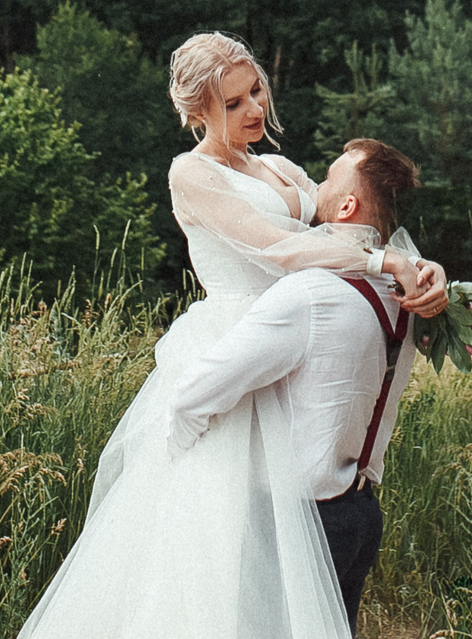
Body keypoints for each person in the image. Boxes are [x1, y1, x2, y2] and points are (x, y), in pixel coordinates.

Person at [14, 33, 444, 639]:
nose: (255, 110)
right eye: (234, 104)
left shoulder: (280, 168)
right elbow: (276, 247)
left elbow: (351, 226)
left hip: (294, 345)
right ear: (197, 115)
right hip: (237, 342)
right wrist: (383, 266)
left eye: (256, 91)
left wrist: (425, 266)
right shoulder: (190, 174)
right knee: (213, 552)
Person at [163, 138, 428, 634]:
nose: (316, 186)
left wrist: (190, 461)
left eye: (328, 179)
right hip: (361, 513)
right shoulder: (406, 300)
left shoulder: (307, 295)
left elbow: (195, 393)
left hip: (296, 524)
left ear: (347, 206)